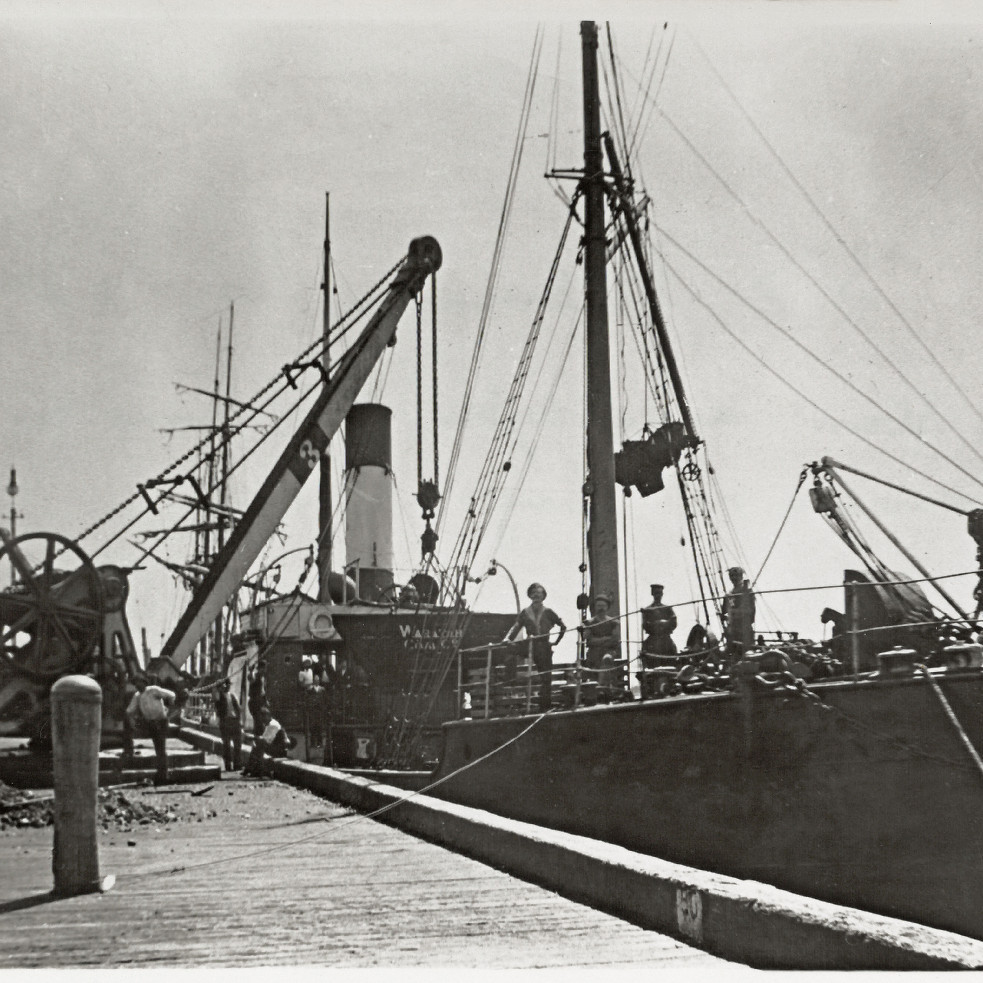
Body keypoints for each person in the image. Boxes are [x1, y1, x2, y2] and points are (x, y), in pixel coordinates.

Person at [504, 582, 566, 712]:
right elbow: (516, 627)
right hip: (529, 644)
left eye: (539, 593)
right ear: (530, 596)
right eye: (533, 593)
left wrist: (555, 642)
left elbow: (563, 626)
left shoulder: (548, 612)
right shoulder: (525, 612)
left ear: (544, 596)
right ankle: (511, 682)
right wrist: (507, 639)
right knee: (508, 650)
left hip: (543, 645)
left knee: (546, 677)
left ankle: (545, 706)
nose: (536, 595)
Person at [132, 675, 175, 786]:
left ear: (143, 682)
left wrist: (169, 711)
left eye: (139, 682)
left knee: (161, 747)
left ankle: (163, 775)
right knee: (158, 748)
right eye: (135, 683)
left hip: (161, 721)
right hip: (151, 723)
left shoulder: (153, 690)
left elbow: (171, 695)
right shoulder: (137, 696)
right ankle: (161, 774)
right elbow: (130, 710)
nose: (137, 685)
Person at [639, 583, 678, 699]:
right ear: (652, 594)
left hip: (666, 640)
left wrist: (664, 623)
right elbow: (646, 625)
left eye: (659, 593)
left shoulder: (667, 608)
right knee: (652, 663)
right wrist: (658, 624)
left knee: (670, 661)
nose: (657, 595)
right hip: (653, 640)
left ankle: (670, 686)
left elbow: (673, 622)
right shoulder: (647, 610)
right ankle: (653, 689)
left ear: (662, 594)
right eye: (655, 593)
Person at [243, 709, 296, 777]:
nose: (262, 720)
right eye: (261, 717)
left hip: (280, 750)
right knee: (258, 745)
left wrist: (252, 737)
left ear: (268, 716)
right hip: (276, 747)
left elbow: (265, 740)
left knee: (260, 744)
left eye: (263, 717)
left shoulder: (273, 725)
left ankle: (253, 769)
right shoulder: (269, 724)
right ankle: (253, 769)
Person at [581, 592, 621, 672]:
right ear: (595, 607)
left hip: (609, 652)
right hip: (593, 653)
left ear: (607, 607)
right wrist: (606, 639)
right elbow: (589, 640)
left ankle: (604, 683)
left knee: (607, 659)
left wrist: (597, 640)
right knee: (593, 663)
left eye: (603, 606)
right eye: (599, 606)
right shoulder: (589, 623)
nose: (601, 608)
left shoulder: (614, 622)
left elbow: (615, 640)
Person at [722, 566, 756, 657]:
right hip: (732, 630)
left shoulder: (747, 592)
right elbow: (724, 612)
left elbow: (751, 611)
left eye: (736, 575)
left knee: (747, 654)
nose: (733, 578)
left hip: (745, 629)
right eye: (731, 576)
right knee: (732, 654)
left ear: (741, 576)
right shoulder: (728, 595)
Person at [213, 678, 242, 772]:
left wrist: (239, 720)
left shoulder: (233, 696)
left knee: (238, 744)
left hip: (234, 721)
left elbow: (238, 709)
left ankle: (237, 764)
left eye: (229, 685)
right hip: (225, 721)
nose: (229, 686)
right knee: (227, 745)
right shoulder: (219, 696)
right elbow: (215, 697)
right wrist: (217, 686)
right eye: (227, 685)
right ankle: (228, 766)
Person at [247, 659, 269, 739]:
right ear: (260, 668)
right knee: (258, 722)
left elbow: (263, 690)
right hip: (254, 701)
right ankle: (257, 739)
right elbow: (251, 679)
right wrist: (251, 671)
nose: (265, 670)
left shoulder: (263, 677)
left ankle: (259, 738)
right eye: (264, 668)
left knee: (262, 721)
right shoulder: (255, 675)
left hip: (260, 701)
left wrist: (265, 700)